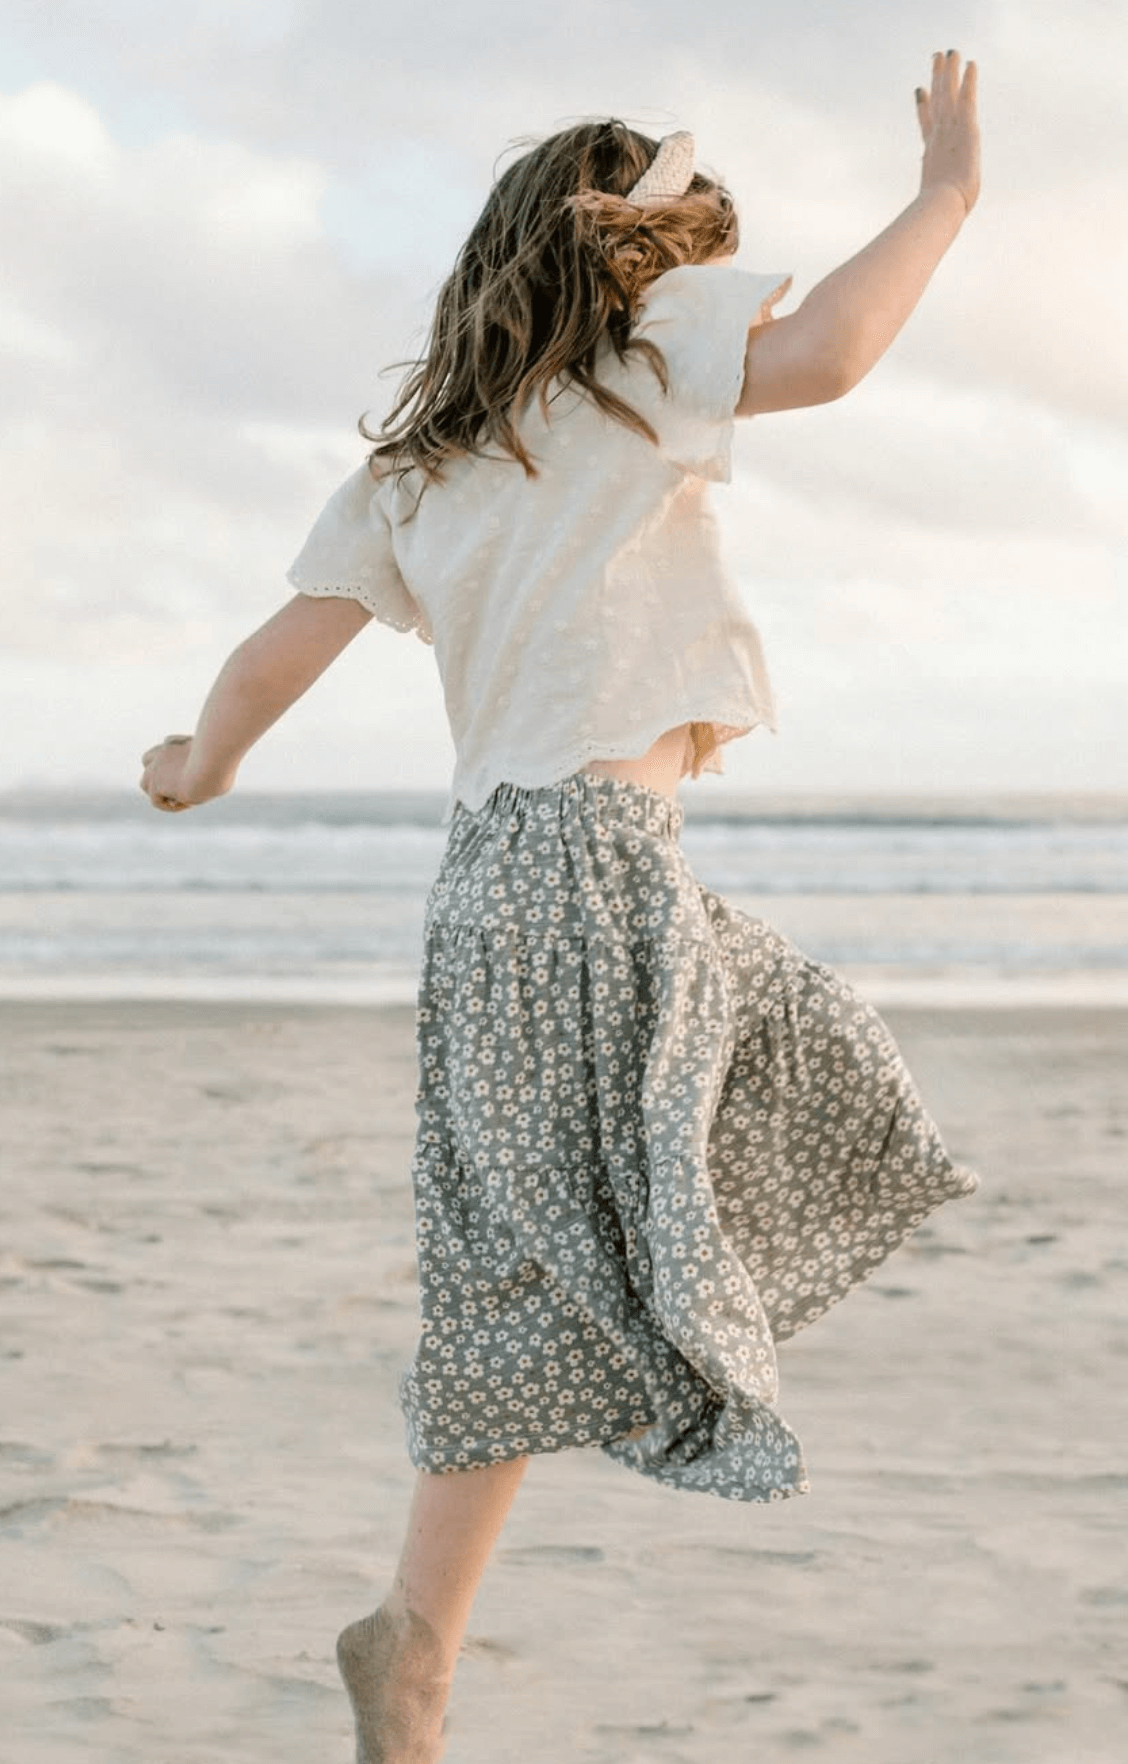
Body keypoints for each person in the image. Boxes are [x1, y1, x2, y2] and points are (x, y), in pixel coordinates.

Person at [141, 49, 981, 1764]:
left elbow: (268, 659)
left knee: (567, 1233)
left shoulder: (422, 461)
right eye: (679, 221)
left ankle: (414, 1635)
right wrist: (950, 191)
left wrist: (197, 766)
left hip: (507, 893)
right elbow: (826, 353)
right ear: (624, 257)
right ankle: (425, 1643)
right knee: (630, 1211)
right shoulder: (640, 366)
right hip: (585, 873)